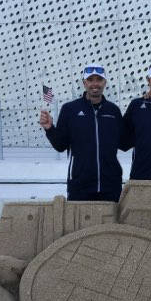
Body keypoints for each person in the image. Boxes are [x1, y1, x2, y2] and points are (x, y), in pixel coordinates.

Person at [38, 64, 131, 202]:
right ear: (84, 83)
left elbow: (124, 143)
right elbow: (60, 145)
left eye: (99, 79)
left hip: (111, 185)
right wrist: (49, 128)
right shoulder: (70, 109)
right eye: (90, 80)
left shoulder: (113, 110)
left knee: (110, 224)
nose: (95, 84)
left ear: (104, 82)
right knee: (79, 224)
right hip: (80, 185)